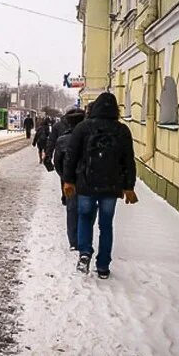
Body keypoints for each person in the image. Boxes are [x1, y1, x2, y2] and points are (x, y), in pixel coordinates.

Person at [63, 92, 138, 279]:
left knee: (85, 218)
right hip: (111, 188)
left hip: (86, 184)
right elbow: (128, 160)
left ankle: (85, 253)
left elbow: (71, 156)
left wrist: (68, 180)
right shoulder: (122, 130)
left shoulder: (82, 128)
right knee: (106, 225)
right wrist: (129, 186)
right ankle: (103, 266)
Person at [52, 108, 86, 251]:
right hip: (87, 180)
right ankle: (83, 238)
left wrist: (65, 177)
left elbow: (57, 161)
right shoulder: (89, 137)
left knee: (72, 210)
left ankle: (73, 241)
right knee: (86, 210)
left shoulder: (62, 139)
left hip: (70, 180)